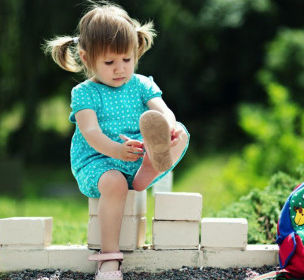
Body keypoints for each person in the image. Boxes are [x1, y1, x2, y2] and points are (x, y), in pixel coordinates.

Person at [44, 2, 189, 279]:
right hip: (98, 161)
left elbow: (162, 110)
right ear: (87, 60)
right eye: (109, 62)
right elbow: (91, 133)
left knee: (181, 132)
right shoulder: (84, 92)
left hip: (137, 153)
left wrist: (168, 127)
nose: (120, 69)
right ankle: (109, 257)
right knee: (114, 182)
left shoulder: (142, 83)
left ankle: (148, 170)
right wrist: (115, 151)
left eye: (127, 59)